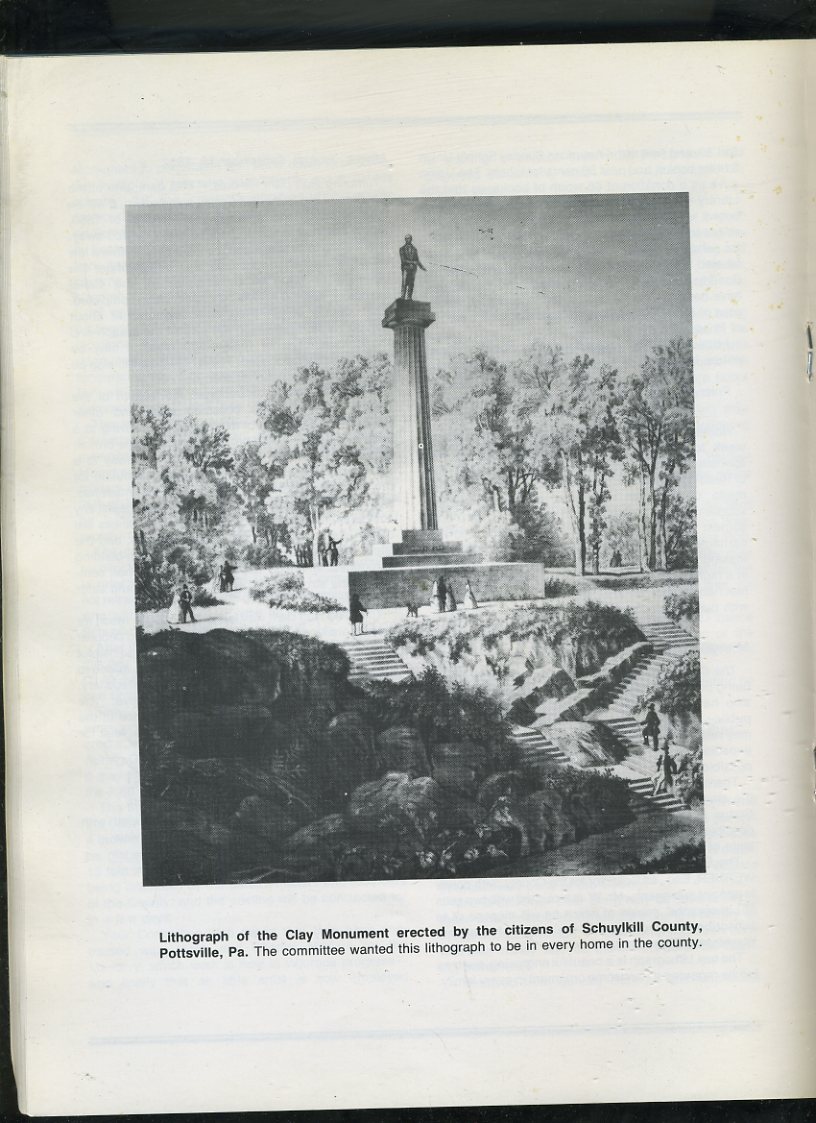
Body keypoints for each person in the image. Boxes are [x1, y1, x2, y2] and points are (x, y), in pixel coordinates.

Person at [399, 235, 426, 300]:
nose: (408, 240)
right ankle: (402, 298)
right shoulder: (402, 249)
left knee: (411, 284)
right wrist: (413, 262)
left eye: (409, 238)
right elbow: (403, 260)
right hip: (405, 268)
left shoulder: (414, 249)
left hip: (413, 269)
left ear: (411, 239)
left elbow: (417, 260)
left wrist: (422, 267)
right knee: (404, 283)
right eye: (406, 238)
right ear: (405, 239)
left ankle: (409, 298)